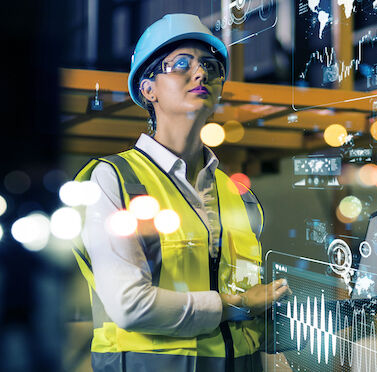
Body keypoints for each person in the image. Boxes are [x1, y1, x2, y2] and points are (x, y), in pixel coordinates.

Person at [71, 14, 290, 371]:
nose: (201, 73)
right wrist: (238, 304)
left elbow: (252, 316)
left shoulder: (237, 195)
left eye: (210, 65)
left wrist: (332, 318)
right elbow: (130, 305)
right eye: (181, 64)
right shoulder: (115, 181)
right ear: (148, 89)